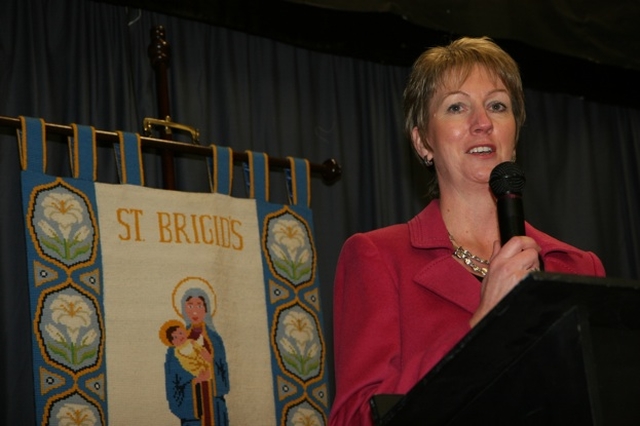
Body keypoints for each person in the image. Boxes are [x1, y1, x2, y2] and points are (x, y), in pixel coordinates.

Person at [328, 36, 606, 425]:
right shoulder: (378, 258)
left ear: (515, 131)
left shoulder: (578, 268)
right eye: (457, 107)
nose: (483, 123)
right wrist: (483, 324)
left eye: (497, 106)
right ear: (423, 141)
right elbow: (356, 419)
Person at [165, 289, 230, 426]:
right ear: (184, 309)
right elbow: (172, 381)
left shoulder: (215, 340)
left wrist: (210, 363)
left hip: (215, 408)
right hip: (193, 413)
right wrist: (194, 380)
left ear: (206, 309)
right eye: (190, 305)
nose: (195, 311)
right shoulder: (176, 343)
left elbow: (224, 378)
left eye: (199, 305)